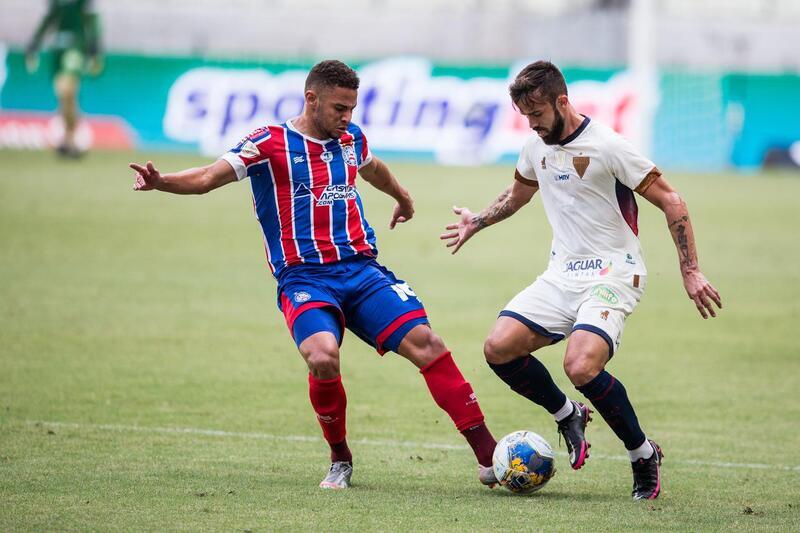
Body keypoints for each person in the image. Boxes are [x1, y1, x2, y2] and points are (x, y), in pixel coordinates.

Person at [130, 60, 498, 490]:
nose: (347, 117)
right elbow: (208, 177)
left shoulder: (350, 138)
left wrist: (402, 196)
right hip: (304, 278)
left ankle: (489, 456)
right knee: (322, 357)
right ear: (312, 99)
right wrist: (162, 182)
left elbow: (371, 165)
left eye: (352, 109)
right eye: (339, 108)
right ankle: (340, 456)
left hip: (361, 270)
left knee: (428, 344)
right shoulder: (268, 143)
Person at [441, 60, 722, 500]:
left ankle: (643, 454)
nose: (531, 125)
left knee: (580, 364)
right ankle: (567, 413)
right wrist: (477, 220)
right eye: (525, 117)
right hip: (562, 274)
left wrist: (690, 271)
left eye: (537, 114)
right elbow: (517, 196)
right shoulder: (536, 146)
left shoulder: (609, 146)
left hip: (614, 273)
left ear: (562, 102)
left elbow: (672, 200)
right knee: (498, 348)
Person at [26, 0, 102, 158]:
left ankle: (71, 137)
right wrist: (34, 45)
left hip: (75, 49)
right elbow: (48, 20)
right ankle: (70, 139)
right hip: (57, 52)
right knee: (64, 97)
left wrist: (95, 49)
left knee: (66, 88)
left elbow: (92, 19)